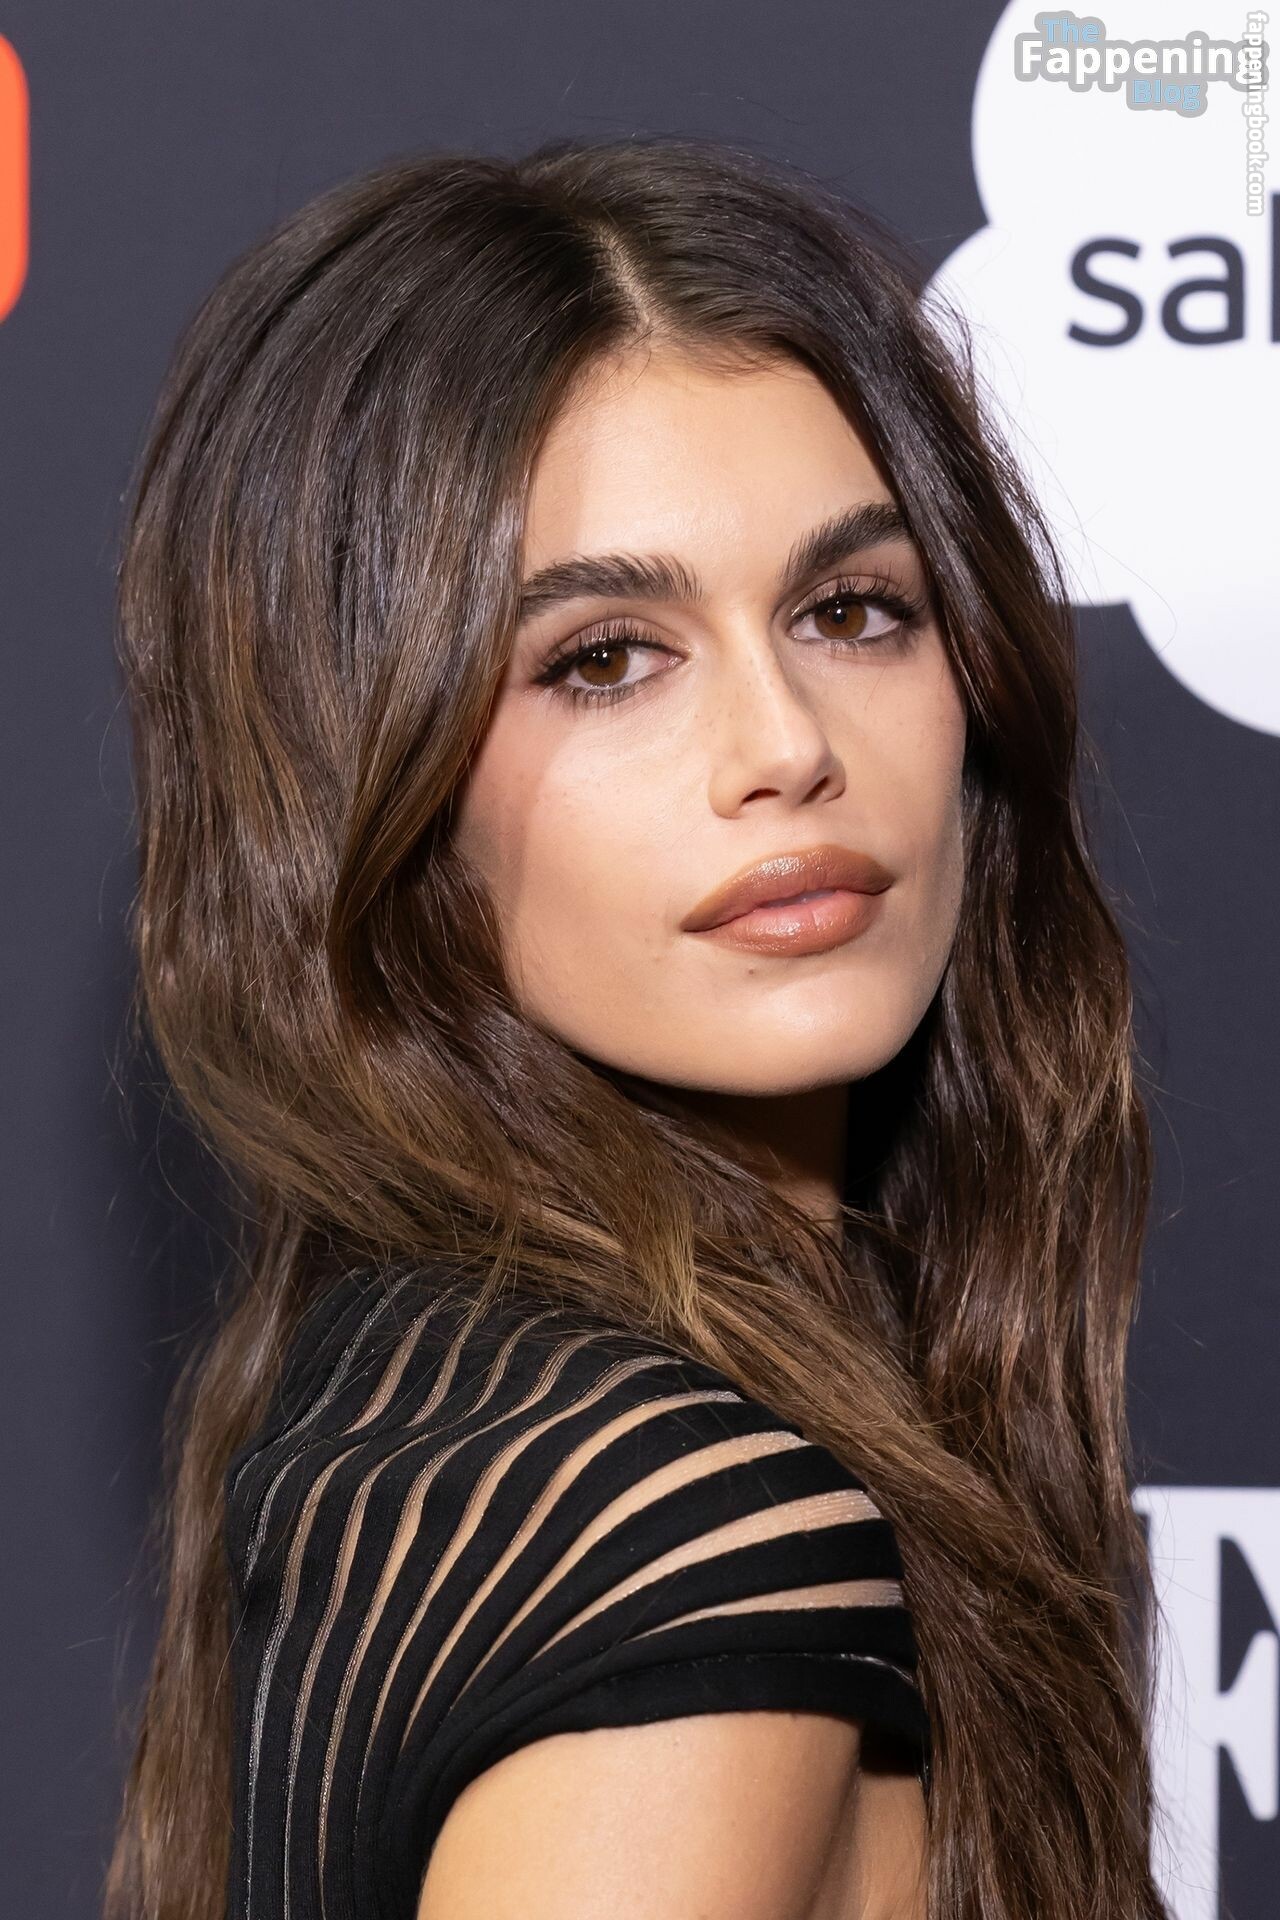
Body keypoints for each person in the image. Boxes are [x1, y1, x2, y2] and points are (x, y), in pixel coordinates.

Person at [104, 134, 1170, 1920]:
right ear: (366, 780)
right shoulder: (681, 1535)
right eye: (603, 657)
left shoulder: (429, 1416)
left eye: (853, 610)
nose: (787, 745)